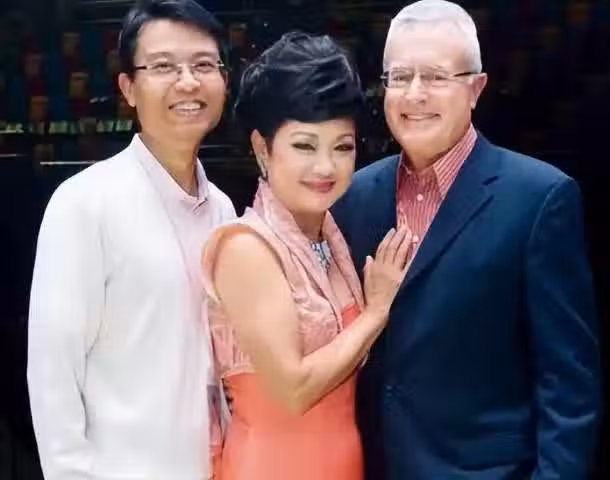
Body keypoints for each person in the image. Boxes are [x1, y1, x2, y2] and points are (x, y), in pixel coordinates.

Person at [332, 1, 601, 479]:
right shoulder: (353, 196)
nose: (415, 93)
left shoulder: (539, 198)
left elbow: (568, 383)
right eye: (400, 77)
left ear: (476, 89)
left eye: (436, 77)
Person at [27, 1, 235, 479]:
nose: (188, 82)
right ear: (128, 88)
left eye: (204, 64)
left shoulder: (222, 209)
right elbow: (53, 370)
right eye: (163, 66)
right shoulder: (84, 203)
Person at [200, 32, 412, 480]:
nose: (325, 167)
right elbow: (293, 389)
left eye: (342, 147)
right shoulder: (245, 247)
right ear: (263, 148)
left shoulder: (332, 238)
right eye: (304, 145)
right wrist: (375, 314)